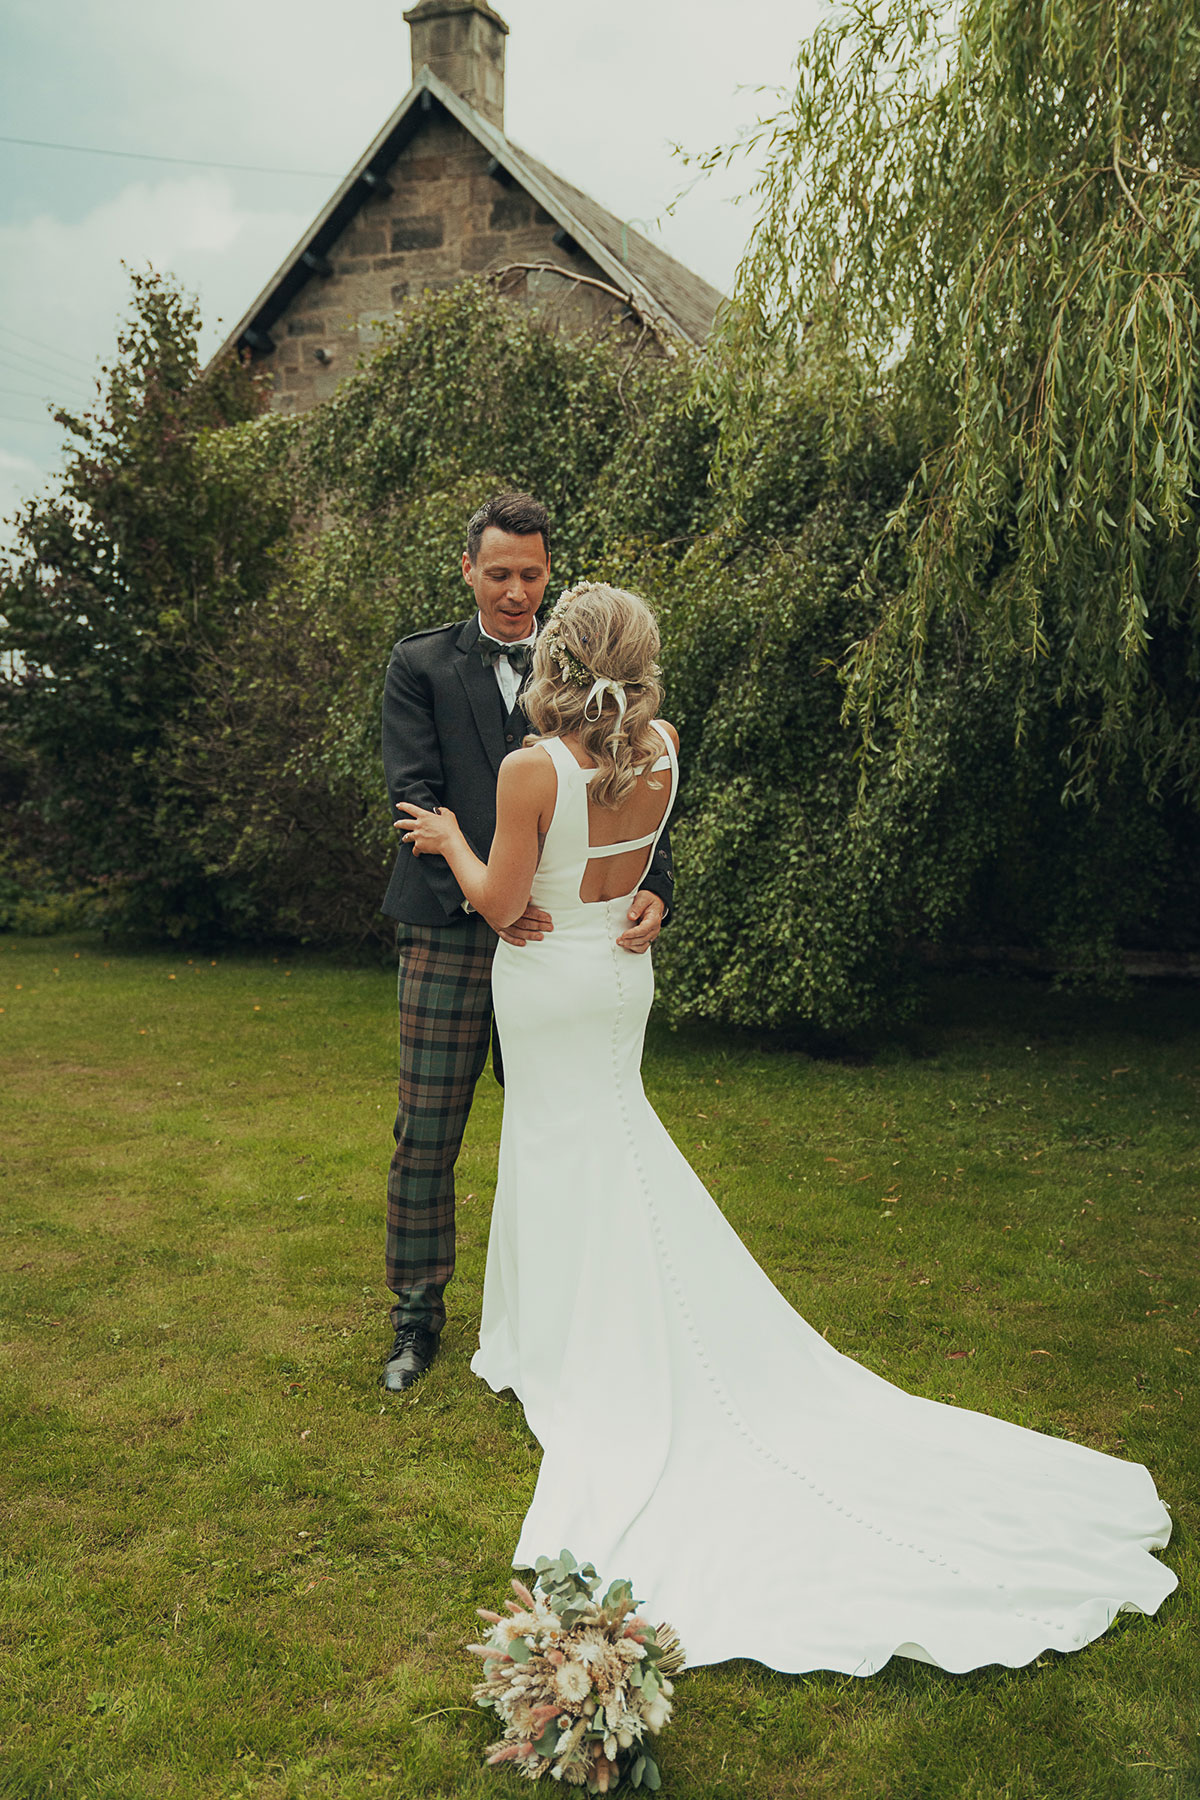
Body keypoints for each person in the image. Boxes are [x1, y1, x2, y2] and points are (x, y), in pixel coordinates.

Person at [395, 579, 1176, 1677]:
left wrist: (444, 840)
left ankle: (572, 1347)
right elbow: (627, 865)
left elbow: (499, 900)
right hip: (620, 978)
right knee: (598, 1149)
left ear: (559, 661)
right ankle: (558, 1335)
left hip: (551, 978)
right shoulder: (662, 742)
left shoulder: (532, 770)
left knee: (570, 1153)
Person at [379, 494, 674, 1393]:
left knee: (561, 1128)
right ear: (468, 570)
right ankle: (416, 1321)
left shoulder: (595, 664)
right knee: (428, 1133)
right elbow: (416, 801)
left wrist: (658, 888)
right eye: (498, 572)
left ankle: (568, 1311)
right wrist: (495, 910)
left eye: (531, 574)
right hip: (454, 933)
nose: (515, 590)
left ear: (550, 574)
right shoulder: (419, 664)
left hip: (564, 955)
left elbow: (643, 802)